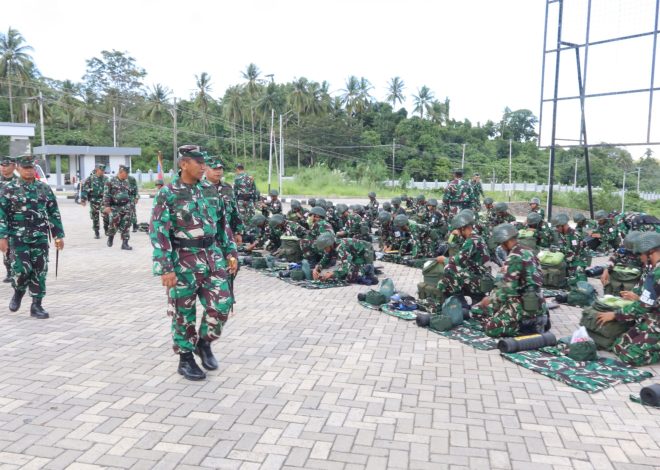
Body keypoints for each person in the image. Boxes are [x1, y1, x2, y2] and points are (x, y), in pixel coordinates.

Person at [149, 145, 238, 381]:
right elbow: (158, 232)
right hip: (183, 260)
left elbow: (223, 225)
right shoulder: (168, 194)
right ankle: (185, 359)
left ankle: (204, 342)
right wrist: (165, 268)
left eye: (204, 163)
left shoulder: (211, 190)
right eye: (198, 163)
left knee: (222, 305)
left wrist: (231, 252)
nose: (203, 167)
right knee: (183, 313)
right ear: (184, 164)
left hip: (213, 257)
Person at [0, 155, 64, 319]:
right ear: (18, 169)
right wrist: (2, 236)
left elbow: (53, 212)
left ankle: (37, 305)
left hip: (40, 236)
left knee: (39, 269)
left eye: (31, 168)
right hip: (18, 237)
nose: (29, 171)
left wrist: (58, 235)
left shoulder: (43, 188)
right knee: (22, 269)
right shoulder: (9, 189)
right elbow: (2, 214)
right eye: (26, 168)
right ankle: (18, 291)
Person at [471, 223, 548, 337]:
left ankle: (525, 326)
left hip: (521, 305)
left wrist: (489, 300)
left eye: (501, 244)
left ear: (505, 241)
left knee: (490, 327)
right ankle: (537, 320)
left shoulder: (514, 257)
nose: (501, 247)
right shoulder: (528, 251)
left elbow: (507, 290)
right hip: (538, 302)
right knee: (484, 309)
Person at [608, 232, 660, 366]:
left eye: (640, 254)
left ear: (651, 252)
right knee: (618, 345)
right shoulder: (654, 270)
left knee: (630, 357)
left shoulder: (657, 273)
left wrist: (615, 315)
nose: (640, 258)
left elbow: (642, 307)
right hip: (653, 318)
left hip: (655, 320)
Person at [436, 210, 492, 304]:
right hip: (481, 277)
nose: (457, 231)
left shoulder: (471, 241)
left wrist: (444, 259)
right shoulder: (476, 237)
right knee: (451, 274)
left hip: (480, 280)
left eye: (458, 229)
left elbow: (457, 261)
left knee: (450, 268)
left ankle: (461, 303)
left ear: (463, 228)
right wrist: (455, 236)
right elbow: (460, 251)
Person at [202, 156, 244, 244]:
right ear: (206, 169)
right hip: (207, 235)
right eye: (214, 168)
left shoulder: (227, 188)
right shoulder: (199, 188)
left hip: (226, 234)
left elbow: (235, 211)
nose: (218, 171)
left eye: (220, 168)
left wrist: (238, 232)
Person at [103, 165, 135, 250]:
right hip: (115, 207)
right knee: (114, 223)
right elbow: (106, 194)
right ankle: (111, 237)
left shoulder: (126, 182)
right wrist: (107, 206)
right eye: (126, 173)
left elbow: (130, 194)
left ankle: (125, 243)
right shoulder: (110, 181)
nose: (127, 175)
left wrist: (131, 204)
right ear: (121, 172)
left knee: (127, 224)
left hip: (126, 207)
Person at [551, 213, 588, 286]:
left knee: (576, 282)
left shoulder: (575, 235)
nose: (556, 229)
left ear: (563, 225)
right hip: (567, 260)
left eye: (558, 227)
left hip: (578, 261)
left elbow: (573, 254)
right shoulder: (561, 234)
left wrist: (559, 254)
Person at [80, 163, 110, 239]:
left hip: (103, 201)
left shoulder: (106, 179)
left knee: (106, 215)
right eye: (101, 170)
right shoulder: (90, 178)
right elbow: (84, 189)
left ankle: (106, 229)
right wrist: (83, 199)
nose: (102, 172)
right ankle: (96, 232)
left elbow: (110, 189)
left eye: (103, 170)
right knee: (95, 217)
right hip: (94, 200)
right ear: (97, 170)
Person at [0, 156, 17, 282]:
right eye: (1, 165)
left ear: (13, 166)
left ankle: (14, 270)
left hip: (15, 220)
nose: (3, 168)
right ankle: (9, 270)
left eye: (6, 165)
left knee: (13, 246)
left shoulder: (19, 182)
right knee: (4, 246)